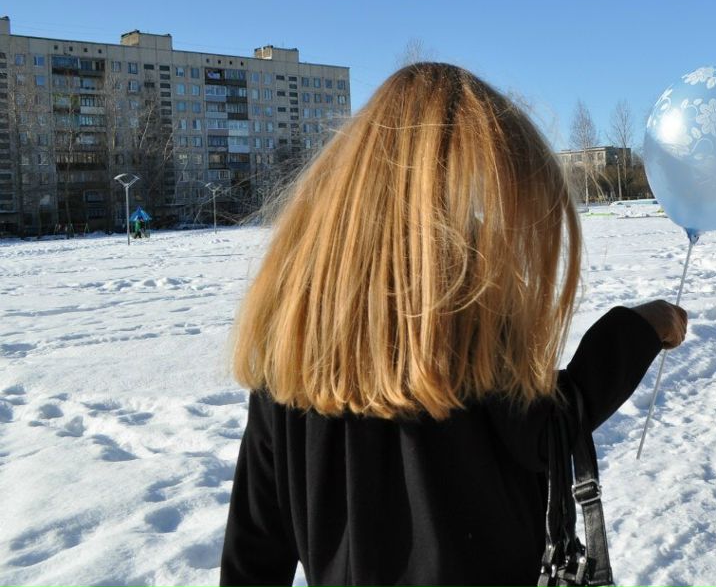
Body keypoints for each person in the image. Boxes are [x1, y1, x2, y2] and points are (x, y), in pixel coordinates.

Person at [220, 63, 689, 587]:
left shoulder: (298, 329)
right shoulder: (467, 308)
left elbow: (255, 544)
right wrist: (637, 330)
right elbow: (546, 430)